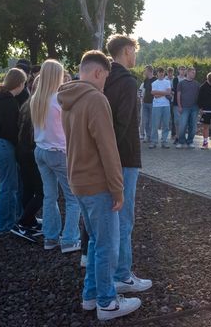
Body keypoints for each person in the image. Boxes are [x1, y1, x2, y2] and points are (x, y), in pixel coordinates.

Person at [58, 50, 141, 321]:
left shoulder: (68, 98)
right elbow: (108, 148)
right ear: (97, 72)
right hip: (98, 183)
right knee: (106, 244)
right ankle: (107, 302)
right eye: (106, 76)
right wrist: (118, 189)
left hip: (78, 180)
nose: (106, 82)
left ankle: (90, 294)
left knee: (94, 241)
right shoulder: (95, 99)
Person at [104, 34, 152, 293]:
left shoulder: (104, 77)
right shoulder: (127, 82)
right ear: (126, 51)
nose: (136, 56)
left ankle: (113, 274)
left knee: (112, 217)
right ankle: (122, 274)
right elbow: (122, 123)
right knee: (124, 218)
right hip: (124, 158)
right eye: (134, 51)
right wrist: (116, 158)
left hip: (109, 157)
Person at [31, 59, 81, 252]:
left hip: (41, 151)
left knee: (49, 196)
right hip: (58, 152)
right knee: (72, 197)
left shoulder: (37, 98)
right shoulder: (58, 100)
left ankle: (50, 237)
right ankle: (69, 239)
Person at [0, 68, 28, 235]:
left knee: (9, 184)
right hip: (2, 145)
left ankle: (12, 219)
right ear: (18, 84)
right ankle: (4, 226)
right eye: (23, 84)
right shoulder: (8, 101)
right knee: (8, 185)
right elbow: (11, 129)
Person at [13, 76, 44, 242]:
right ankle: (23, 221)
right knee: (42, 191)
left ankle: (28, 219)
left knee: (29, 189)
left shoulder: (28, 102)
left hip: (22, 150)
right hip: (32, 151)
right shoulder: (41, 105)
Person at [176, 66, 200, 149]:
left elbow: (200, 96)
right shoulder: (181, 83)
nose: (194, 74)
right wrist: (179, 106)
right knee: (182, 126)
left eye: (194, 72)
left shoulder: (197, 84)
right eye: (192, 72)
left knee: (193, 126)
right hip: (184, 107)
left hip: (194, 108)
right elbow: (178, 95)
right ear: (188, 73)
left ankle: (190, 141)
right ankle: (181, 141)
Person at [149, 67, 172, 149]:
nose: (161, 73)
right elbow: (154, 95)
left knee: (166, 125)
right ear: (157, 73)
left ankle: (164, 141)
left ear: (164, 73)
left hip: (166, 105)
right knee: (155, 125)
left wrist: (159, 93)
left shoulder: (167, 82)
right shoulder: (154, 83)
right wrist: (165, 93)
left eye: (162, 72)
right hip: (156, 106)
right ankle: (154, 141)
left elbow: (168, 92)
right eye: (159, 72)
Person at [171, 66, 187, 144]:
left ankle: (182, 137)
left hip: (185, 104)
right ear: (179, 70)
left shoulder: (187, 80)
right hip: (176, 103)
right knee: (177, 121)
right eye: (181, 69)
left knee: (184, 121)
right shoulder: (175, 79)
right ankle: (177, 136)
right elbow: (174, 90)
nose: (183, 71)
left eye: (184, 70)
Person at [140, 65, 156, 143]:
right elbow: (145, 91)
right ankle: (147, 137)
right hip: (145, 103)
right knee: (145, 121)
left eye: (145, 70)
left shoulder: (155, 80)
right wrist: (142, 99)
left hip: (153, 103)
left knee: (151, 122)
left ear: (149, 71)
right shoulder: (146, 80)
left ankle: (151, 137)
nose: (144, 72)